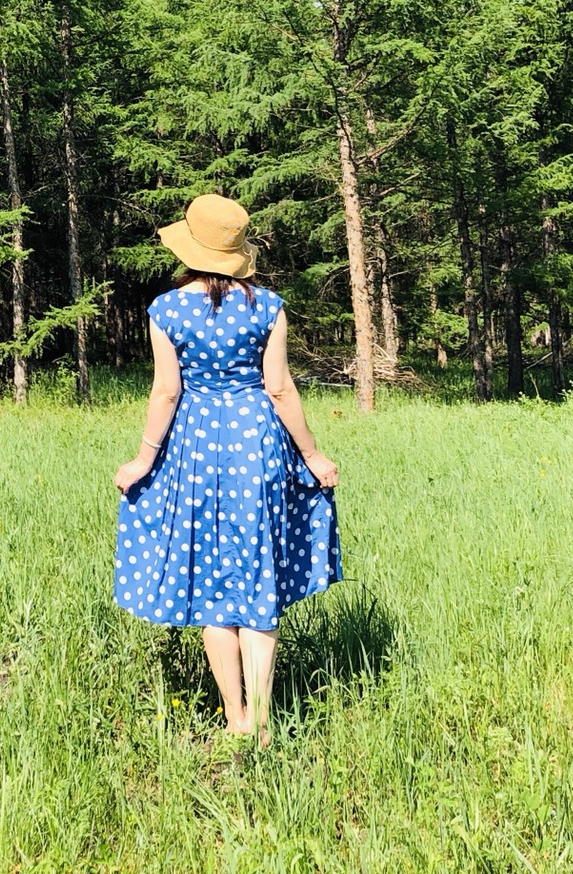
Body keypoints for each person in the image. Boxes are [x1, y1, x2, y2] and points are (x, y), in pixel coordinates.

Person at [112, 193, 341, 747]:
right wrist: (311, 454)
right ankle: (263, 722)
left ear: (190, 248)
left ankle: (236, 718)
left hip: (196, 451)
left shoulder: (167, 310)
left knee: (215, 587)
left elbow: (167, 391)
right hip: (256, 446)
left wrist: (143, 459)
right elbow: (280, 388)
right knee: (257, 579)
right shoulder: (267, 306)